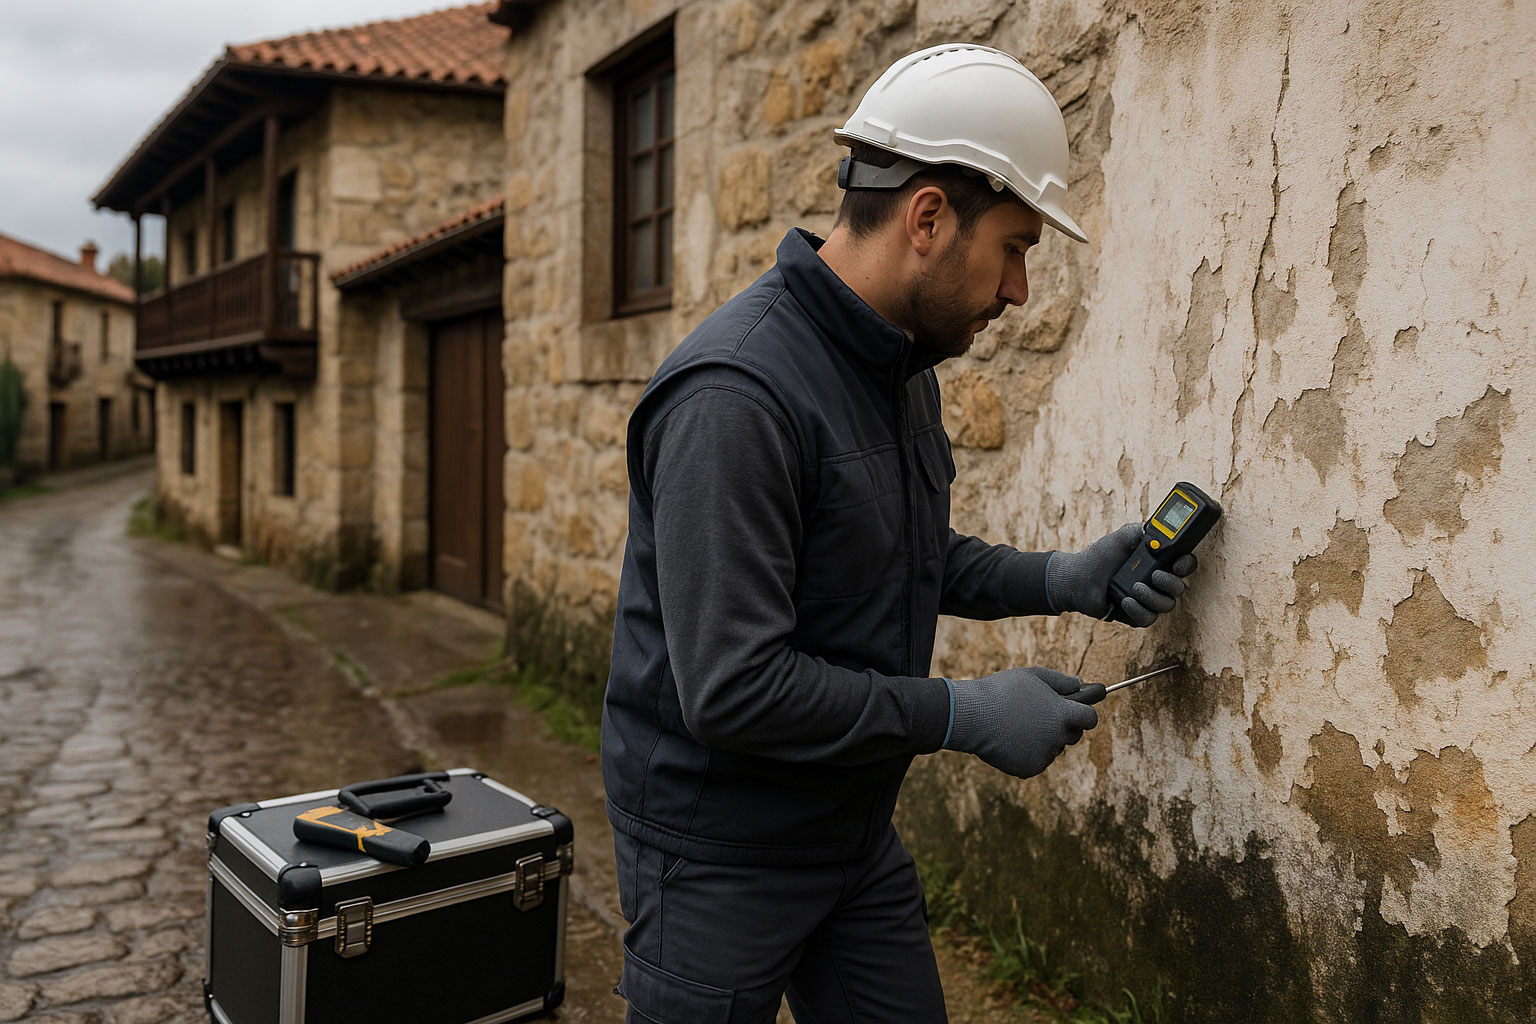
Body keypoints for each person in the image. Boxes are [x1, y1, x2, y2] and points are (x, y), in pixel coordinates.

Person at [601, 43, 1199, 1023]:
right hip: (718, 853)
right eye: (1012, 247)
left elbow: (899, 557)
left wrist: (1060, 576)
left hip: (850, 827)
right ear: (928, 217)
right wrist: (959, 714)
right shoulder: (734, 400)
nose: (1018, 291)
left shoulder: (898, 367)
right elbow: (733, 687)